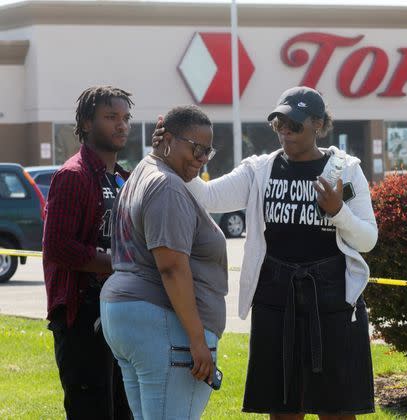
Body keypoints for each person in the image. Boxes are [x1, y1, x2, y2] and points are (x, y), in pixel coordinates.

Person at [154, 86, 378, 419]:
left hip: (332, 304)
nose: (285, 131)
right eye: (279, 123)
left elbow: (368, 239)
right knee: (283, 407)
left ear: (318, 124)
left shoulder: (344, 170)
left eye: (295, 124)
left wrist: (337, 212)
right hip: (276, 299)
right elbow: (209, 197)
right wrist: (171, 156)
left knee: (337, 409)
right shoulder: (259, 170)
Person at [100, 105, 228, 419]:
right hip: (162, 323)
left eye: (207, 151)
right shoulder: (167, 186)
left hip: (131, 316)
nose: (201, 157)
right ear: (168, 139)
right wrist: (197, 341)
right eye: (196, 147)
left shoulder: (145, 170)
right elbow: (171, 267)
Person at [42, 86, 133, 419]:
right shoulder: (73, 175)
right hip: (81, 316)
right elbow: (58, 246)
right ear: (85, 123)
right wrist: (121, 264)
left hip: (120, 313)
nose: (121, 125)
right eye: (111, 117)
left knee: (124, 411)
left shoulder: (121, 178)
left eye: (125, 118)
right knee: (91, 410)